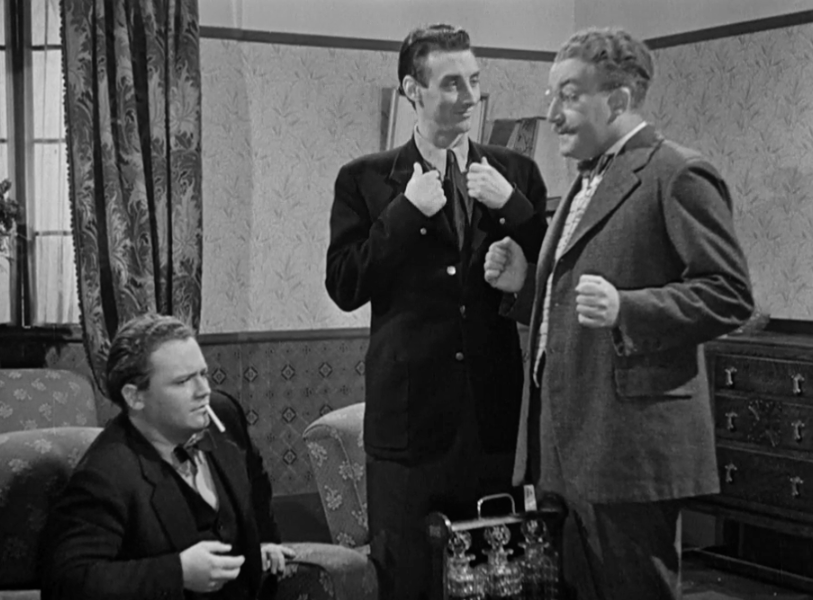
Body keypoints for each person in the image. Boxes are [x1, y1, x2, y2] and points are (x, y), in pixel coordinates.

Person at [484, 27, 754, 600]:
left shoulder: (677, 173)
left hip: (626, 445)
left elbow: (730, 293)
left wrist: (628, 308)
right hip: (560, 441)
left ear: (619, 100)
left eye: (569, 96)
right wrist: (525, 286)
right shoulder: (584, 180)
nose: (552, 113)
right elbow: (574, 307)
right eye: (552, 95)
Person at [325, 23, 548, 600]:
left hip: (494, 420)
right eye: (452, 83)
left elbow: (552, 275)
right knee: (408, 581)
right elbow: (345, 285)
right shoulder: (364, 179)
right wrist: (403, 213)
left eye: (474, 80)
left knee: (499, 579)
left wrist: (514, 207)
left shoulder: (516, 175)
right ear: (412, 90)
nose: (470, 96)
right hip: (409, 426)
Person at [40, 313, 295, 600]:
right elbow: (67, 583)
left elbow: (255, 489)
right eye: (183, 381)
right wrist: (178, 572)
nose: (204, 391)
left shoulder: (222, 416)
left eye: (203, 374)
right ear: (135, 397)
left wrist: (261, 543)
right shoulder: (104, 476)